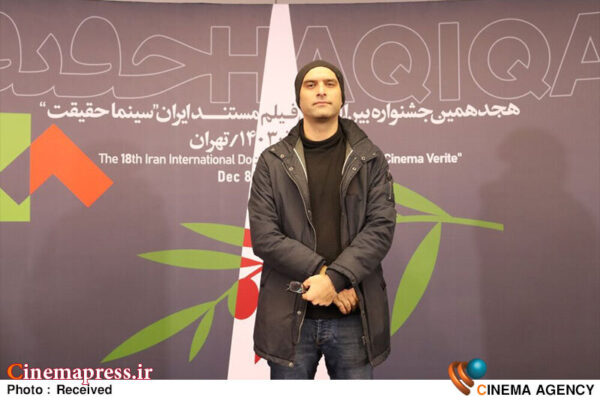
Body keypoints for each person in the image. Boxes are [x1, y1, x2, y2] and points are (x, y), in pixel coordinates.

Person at [248, 60, 396, 379]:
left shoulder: (370, 158)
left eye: (330, 84)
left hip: (354, 317)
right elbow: (265, 236)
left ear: (342, 97)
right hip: (289, 317)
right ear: (298, 98)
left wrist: (334, 280)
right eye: (311, 85)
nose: (321, 91)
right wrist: (329, 278)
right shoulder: (271, 162)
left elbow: (380, 228)